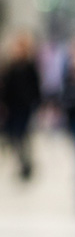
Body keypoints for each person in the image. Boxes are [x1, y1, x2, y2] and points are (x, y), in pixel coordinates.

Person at [0, 29, 41, 180]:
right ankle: (21, 162)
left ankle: (26, 164)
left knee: (23, 134)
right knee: (13, 136)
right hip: (12, 107)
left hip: (25, 107)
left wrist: (35, 102)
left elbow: (36, 87)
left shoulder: (30, 66)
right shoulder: (10, 67)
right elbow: (5, 88)